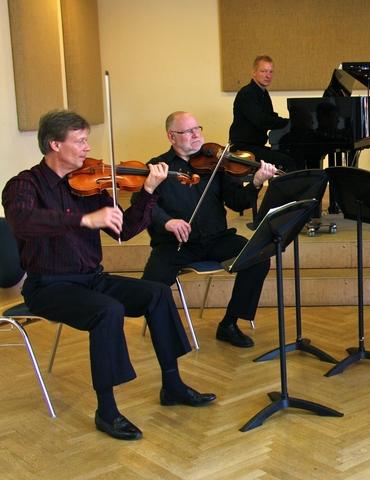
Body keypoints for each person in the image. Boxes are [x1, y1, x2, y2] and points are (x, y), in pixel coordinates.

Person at [1, 110, 216, 441]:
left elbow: (124, 230)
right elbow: (24, 222)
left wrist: (148, 190)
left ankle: (172, 384)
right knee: (108, 310)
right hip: (48, 286)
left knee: (156, 293)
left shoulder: (89, 184)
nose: (88, 148)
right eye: (80, 141)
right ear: (55, 144)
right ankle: (107, 410)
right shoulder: (23, 185)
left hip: (91, 278)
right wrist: (83, 220)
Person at [134, 111, 276, 348]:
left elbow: (237, 202)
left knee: (258, 256)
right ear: (171, 136)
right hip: (175, 245)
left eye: (197, 129)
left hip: (216, 239)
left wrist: (256, 182)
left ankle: (229, 323)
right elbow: (141, 203)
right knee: (150, 286)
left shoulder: (217, 165)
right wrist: (167, 222)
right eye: (188, 131)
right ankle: (167, 334)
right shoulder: (159, 167)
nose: (196, 135)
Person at [229, 55, 297, 172]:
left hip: (255, 146)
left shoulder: (263, 93)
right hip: (243, 148)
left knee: (292, 155)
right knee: (287, 161)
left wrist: (289, 122)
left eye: (270, 72)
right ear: (254, 73)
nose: (268, 75)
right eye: (263, 71)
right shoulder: (247, 93)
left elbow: (270, 116)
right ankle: (285, 184)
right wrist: (289, 123)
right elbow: (261, 120)